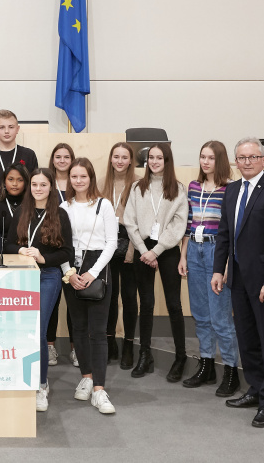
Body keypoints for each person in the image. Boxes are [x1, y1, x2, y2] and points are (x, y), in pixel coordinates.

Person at [212, 137, 264, 428]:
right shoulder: (232, 190)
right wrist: (218, 270)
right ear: (236, 161)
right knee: (247, 340)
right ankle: (257, 390)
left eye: (252, 157)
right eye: (241, 157)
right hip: (237, 279)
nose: (246, 162)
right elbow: (224, 234)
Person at [7, 168, 74, 412]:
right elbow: (8, 243)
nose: (37, 189)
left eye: (43, 185)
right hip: (22, 277)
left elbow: (68, 253)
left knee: (38, 331)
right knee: (23, 331)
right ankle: (21, 380)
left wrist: (43, 258)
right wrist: (19, 250)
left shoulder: (60, 215)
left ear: (51, 187)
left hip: (47, 277)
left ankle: (40, 385)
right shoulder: (21, 212)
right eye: (34, 184)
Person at [177, 141, 240, 396]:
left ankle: (231, 371)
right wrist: (183, 256)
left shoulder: (229, 189)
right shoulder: (193, 187)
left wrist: (224, 265)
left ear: (220, 160)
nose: (205, 162)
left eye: (211, 158)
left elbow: (231, 231)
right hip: (194, 249)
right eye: (202, 157)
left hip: (217, 251)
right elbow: (189, 224)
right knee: (200, 314)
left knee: (220, 317)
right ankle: (206, 364)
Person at [124, 143, 189, 381]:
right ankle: (145, 355)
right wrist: (144, 250)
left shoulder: (178, 189)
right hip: (142, 249)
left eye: (159, 158)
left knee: (174, 304)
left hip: (167, 249)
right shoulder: (137, 187)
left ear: (167, 161)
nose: (154, 162)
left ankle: (180, 357)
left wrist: (158, 250)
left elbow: (179, 224)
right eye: (150, 157)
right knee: (147, 304)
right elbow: (129, 221)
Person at [60, 158, 118, 414]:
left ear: (91, 178)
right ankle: (86, 376)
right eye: (74, 176)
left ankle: (99, 389)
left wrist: (93, 273)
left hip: (98, 267)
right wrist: (69, 273)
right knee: (79, 328)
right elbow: (58, 244)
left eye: (83, 176)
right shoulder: (64, 206)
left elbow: (112, 243)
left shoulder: (104, 205)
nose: (79, 180)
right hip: (71, 267)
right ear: (69, 179)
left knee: (98, 330)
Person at [101, 142, 140, 369]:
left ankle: (127, 345)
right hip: (108, 243)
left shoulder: (137, 185)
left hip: (130, 243)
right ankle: (109, 342)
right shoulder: (101, 184)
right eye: (116, 156)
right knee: (109, 296)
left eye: (124, 157)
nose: (120, 161)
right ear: (111, 159)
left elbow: (139, 222)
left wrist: (133, 250)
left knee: (128, 296)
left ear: (130, 160)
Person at [46, 143, 76, 367]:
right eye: (58, 156)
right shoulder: (47, 183)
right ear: (53, 160)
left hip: (76, 251)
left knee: (74, 304)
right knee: (53, 304)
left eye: (67, 157)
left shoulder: (77, 182)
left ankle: (76, 348)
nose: (63, 160)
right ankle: (50, 347)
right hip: (54, 251)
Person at [0, 110, 39, 188]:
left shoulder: (29, 154)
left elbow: (34, 184)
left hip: (22, 200)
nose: (6, 131)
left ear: (17, 129)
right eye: (2, 127)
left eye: (11, 127)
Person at [0, 162, 30, 240]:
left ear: (26, 183)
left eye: (20, 180)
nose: (15, 184)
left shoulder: (32, 205)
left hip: (27, 250)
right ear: (4, 182)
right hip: (3, 250)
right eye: (10, 179)